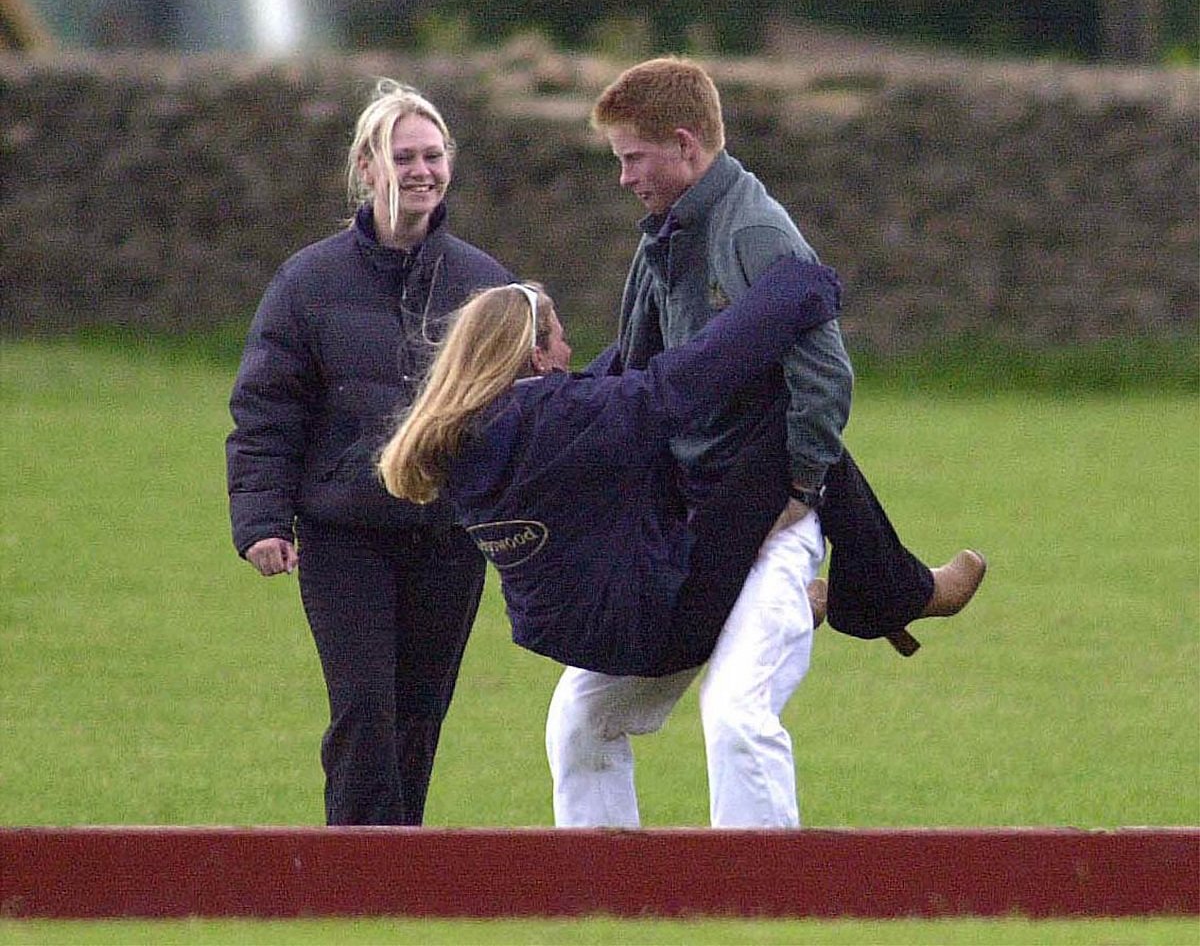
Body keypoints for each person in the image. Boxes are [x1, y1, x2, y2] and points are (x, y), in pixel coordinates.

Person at [379, 259, 850, 828]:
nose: (571, 350)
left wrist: (656, 283)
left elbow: (605, 383)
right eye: (561, 338)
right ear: (536, 357)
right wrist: (795, 289)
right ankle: (875, 590)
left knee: (578, 726)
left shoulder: (464, 437)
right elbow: (675, 384)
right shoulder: (558, 422)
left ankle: (599, 893)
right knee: (732, 712)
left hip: (590, 633)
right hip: (655, 613)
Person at [589, 56, 987, 650]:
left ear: (683, 145)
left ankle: (871, 593)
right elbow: (636, 360)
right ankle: (885, 591)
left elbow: (825, 374)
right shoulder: (668, 231)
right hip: (695, 469)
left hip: (738, 470)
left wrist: (802, 488)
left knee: (668, 633)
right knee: (645, 620)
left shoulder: (753, 233)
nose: (624, 177)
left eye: (632, 158)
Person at [225, 78, 513, 826]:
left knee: (419, 718)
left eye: (433, 154)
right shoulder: (307, 282)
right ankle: (349, 877)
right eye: (402, 156)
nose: (421, 170)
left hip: (448, 540)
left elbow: (521, 413)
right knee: (362, 711)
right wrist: (262, 520)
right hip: (343, 534)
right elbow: (266, 409)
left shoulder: (485, 285)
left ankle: (398, 877)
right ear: (367, 167)